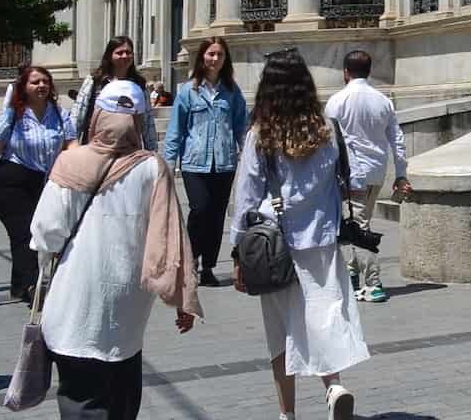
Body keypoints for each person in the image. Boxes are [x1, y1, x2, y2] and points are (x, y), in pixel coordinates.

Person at [32, 81, 201, 419]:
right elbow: (171, 240)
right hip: (128, 306)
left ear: (97, 117)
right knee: (122, 397)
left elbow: (45, 233)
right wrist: (183, 298)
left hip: (74, 303)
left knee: (82, 399)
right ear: (137, 121)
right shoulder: (153, 168)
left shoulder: (69, 163)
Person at [232, 47, 369, 420]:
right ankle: (333, 387)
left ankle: (287, 414)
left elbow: (245, 198)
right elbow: (354, 179)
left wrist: (235, 252)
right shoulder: (326, 128)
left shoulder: (262, 133)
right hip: (321, 244)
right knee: (323, 319)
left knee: (280, 333)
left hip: (274, 244)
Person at [0, 62, 69, 302]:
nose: (41, 86)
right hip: (11, 181)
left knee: (36, 232)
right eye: (35, 82)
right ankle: (31, 287)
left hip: (43, 184)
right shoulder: (13, 114)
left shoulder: (60, 115)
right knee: (25, 234)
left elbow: (72, 147)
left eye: (45, 82)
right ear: (24, 87)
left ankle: (19, 285)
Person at [324, 49, 409, 304]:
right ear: (369, 71)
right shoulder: (383, 101)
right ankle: (351, 272)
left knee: (358, 227)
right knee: (358, 223)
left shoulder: (336, 102)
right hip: (376, 173)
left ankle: (373, 282)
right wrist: (401, 173)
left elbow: (329, 142)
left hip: (349, 175)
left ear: (345, 72)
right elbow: (398, 140)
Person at [162, 37, 247, 287]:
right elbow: (176, 130)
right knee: (199, 210)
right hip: (194, 163)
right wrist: (169, 162)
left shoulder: (232, 91)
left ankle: (208, 265)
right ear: (202, 57)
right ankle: (191, 261)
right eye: (211, 54)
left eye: (219, 55)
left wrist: (250, 155)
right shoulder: (189, 91)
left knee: (217, 215)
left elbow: (242, 125)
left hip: (223, 163)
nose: (214, 59)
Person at [73, 37, 156, 148]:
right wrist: (73, 147)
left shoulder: (139, 85)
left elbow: (147, 121)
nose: (125, 56)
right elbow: (78, 115)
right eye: (119, 53)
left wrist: (151, 150)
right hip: (97, 148)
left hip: (130, 149)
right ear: (110, 56)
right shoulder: (95, 81)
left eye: (128, 52)